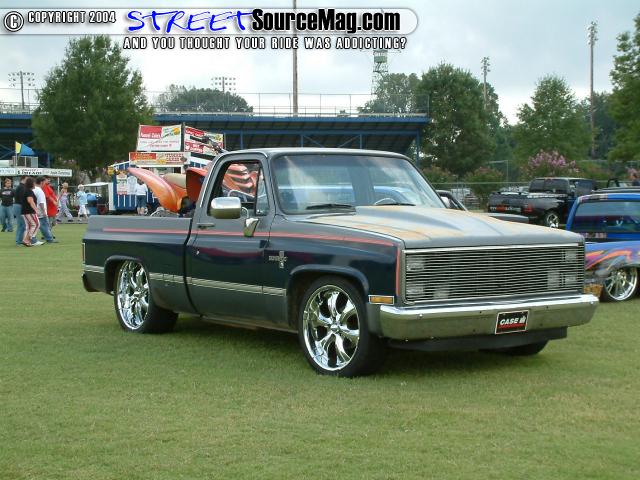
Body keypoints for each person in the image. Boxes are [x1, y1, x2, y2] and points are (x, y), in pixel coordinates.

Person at [22, 177, 43, 247]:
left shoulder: (26, 190)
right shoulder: (29, 191)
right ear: (31, 183)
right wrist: (36, 209)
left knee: (29, 226)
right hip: (29, 211)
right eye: (34, 183)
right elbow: (30, 201)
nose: (35, 184)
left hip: (25, 211)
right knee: (36, 224)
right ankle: (27, 239)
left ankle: (25, 240)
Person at [34, 177, 57, 243]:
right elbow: (41, 202)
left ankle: (48, 238)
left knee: (42, 225)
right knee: (43, 225)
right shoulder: (39, 190)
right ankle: (48, 238)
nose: (46, 183)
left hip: (37, 210)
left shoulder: (35, 189)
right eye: (45, 181)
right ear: (41, 182)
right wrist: (44, 211)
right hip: (40, 210)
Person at [13, 176, 27, 246]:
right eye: (27, 179)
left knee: (20, 224)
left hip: (17, 205)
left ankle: (18, 240)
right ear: (23, 179)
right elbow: (22, 199)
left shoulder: (20, 187)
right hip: (19, 206)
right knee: (23, 225)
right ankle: (19, 241)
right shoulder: (22, 187)